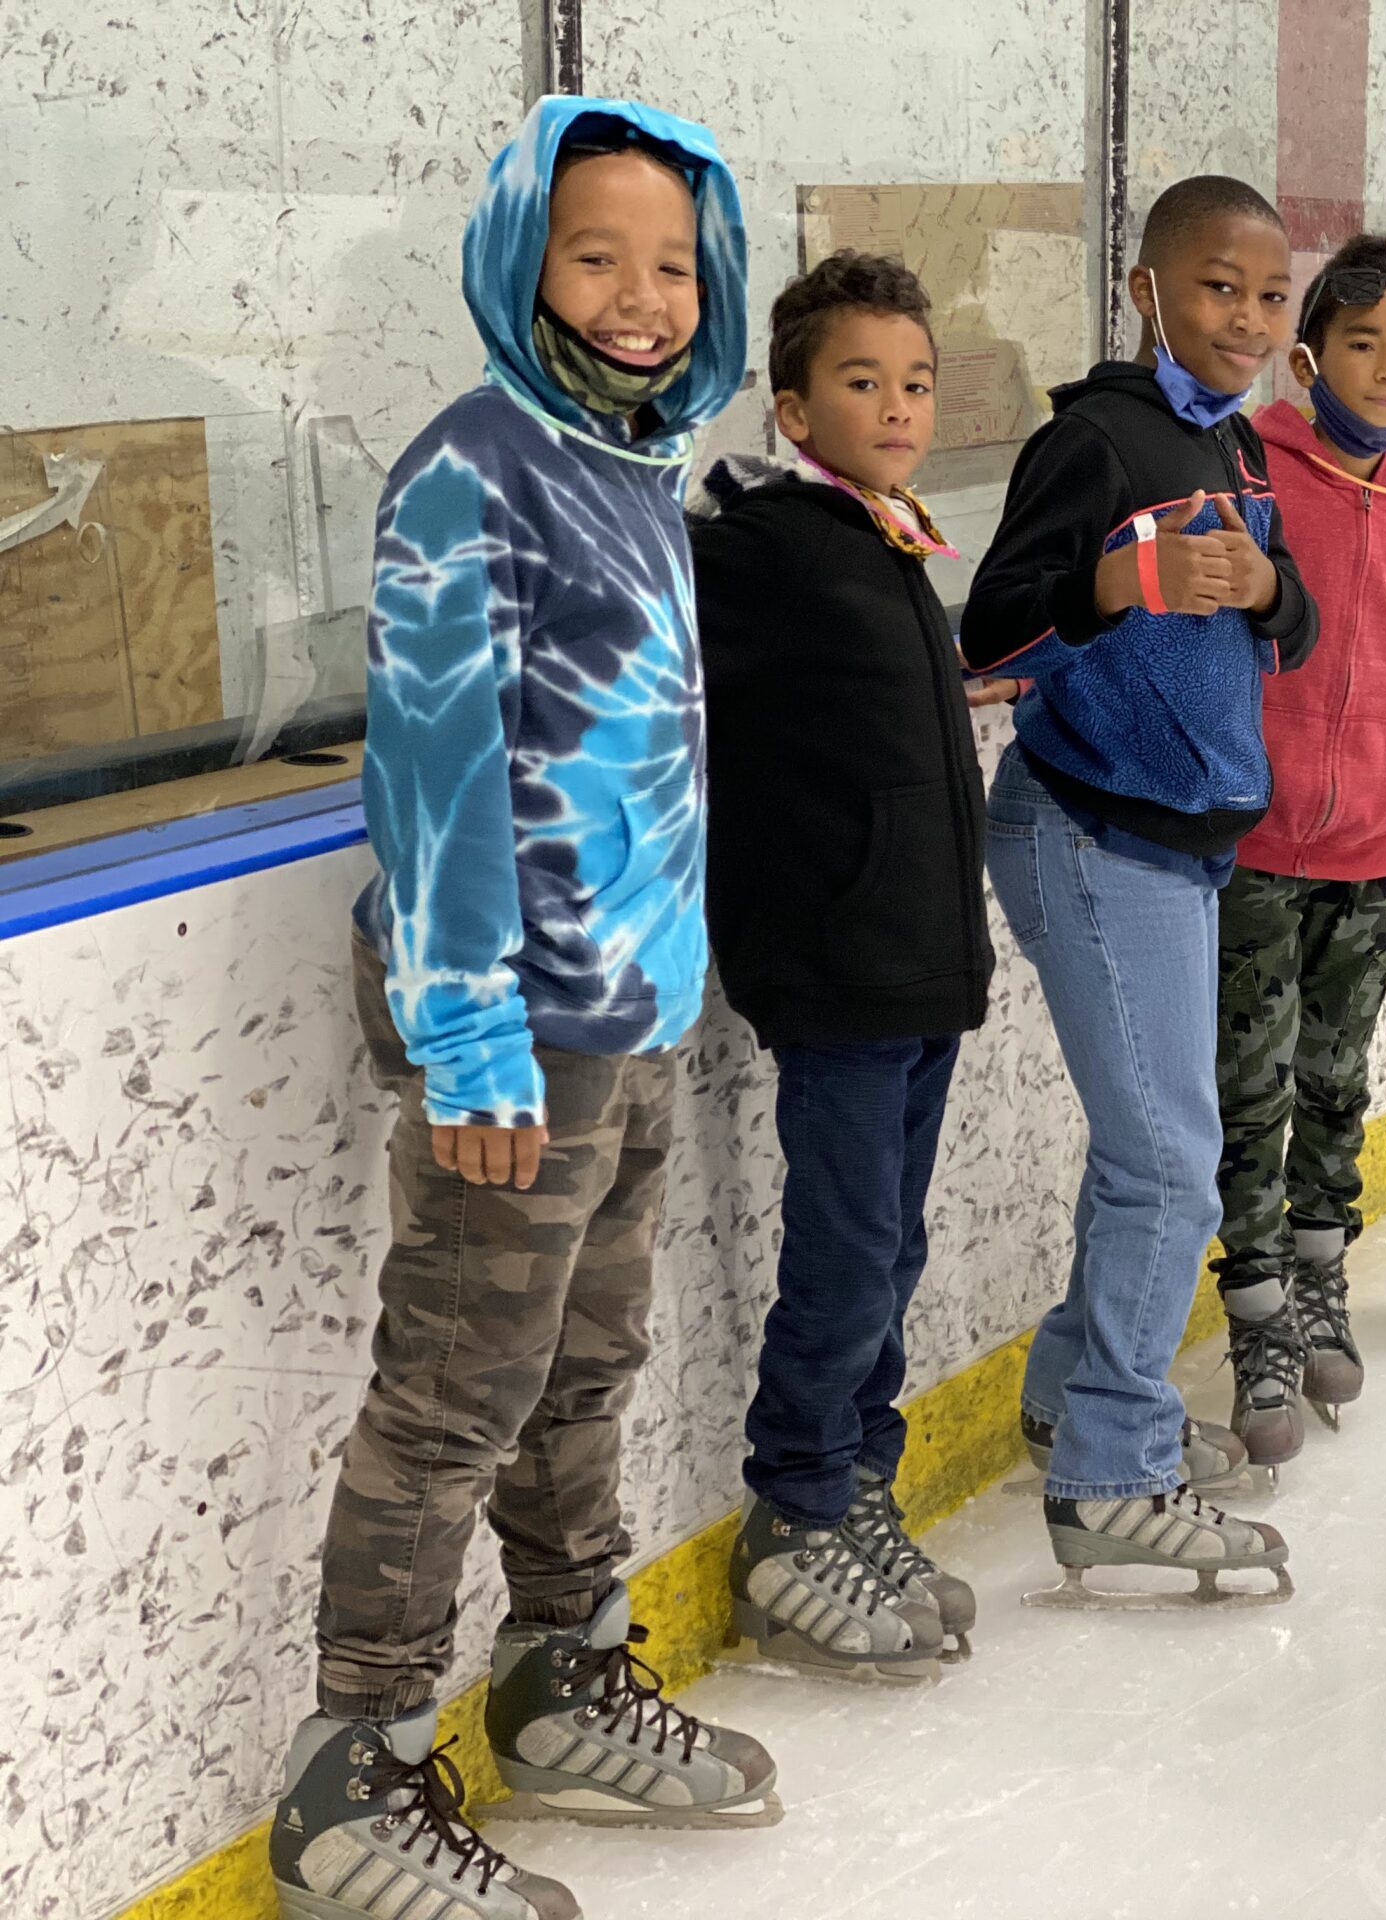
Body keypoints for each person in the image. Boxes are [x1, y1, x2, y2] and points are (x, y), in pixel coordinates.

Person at [272, 98, 770, 1920]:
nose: (642, 298)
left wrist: (675, 989)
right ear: (518, 263)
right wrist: (473, 1034)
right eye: (595, 256)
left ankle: (561, 1673)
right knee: (453, 1401)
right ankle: (356, 1780)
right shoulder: (472, 465)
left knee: (584, 1378)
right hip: (520, 1038)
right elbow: (435, 773)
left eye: (669, 261)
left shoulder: (632, 463)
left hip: (629, 1017)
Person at [960, 174, 1316, 1604]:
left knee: (1159, 1144)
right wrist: (1106, 596)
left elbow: (1284, 626)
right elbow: (994, 626)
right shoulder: (1096, 439)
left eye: (1269, 294)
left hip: (1177, 842)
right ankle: (1114, 1468)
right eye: (1218, 286)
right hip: (1092, 830)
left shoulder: (1234, 448)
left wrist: (1262, 590)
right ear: (1147, 291)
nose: (1246, 317)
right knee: (1170, 1157)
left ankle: (1075, 1393)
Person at [690, 252, 1010, 1679]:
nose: (895, 405)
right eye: (861, 382)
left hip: (918, 963)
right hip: (835, 969)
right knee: (844, 1254)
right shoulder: (762, 540)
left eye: (916, 382)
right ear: (793, 399)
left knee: (895, 1246)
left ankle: (858, 1489)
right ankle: (797, 1510)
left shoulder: (881, 531)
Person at [1211, 235, 1386, 1462]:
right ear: (1309, 354)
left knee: (1331, 1080)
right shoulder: (1253, 463)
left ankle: (1320, 1271)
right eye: (1360, 344)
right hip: (1256, 849)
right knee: (1245, 1091)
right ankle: (1254, 1305)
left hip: (1375, 847)